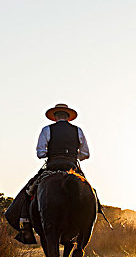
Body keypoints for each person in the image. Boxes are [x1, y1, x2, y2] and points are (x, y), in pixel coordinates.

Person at [13, 104, 90, 244]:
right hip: (72, 166)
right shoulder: (78, 131)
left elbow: (40, 153)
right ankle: (93, 214)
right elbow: (85, 154)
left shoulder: (47, 129)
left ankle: (26, 228)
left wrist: (52, 153)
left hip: (52, 167)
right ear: (68, 117)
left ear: (55, 117)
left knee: (29, 192)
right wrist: (72, 155)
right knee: (90, 191)